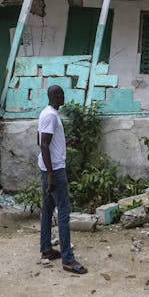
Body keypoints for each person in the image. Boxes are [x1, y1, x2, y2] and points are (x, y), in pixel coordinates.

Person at [38, 84, 88, 274]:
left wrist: (65, 143)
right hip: (55, 170)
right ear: (55, 96)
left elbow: (42, 141)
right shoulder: (51, 116)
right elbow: (43, 145)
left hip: (47, 168)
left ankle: (46, 250)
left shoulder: (45, 113)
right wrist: (51, 175)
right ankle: (68, 260)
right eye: (62, 95)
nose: (64, 97)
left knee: (48, 209)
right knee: (64, 212)